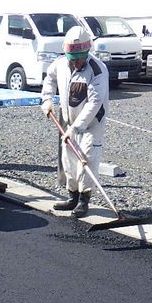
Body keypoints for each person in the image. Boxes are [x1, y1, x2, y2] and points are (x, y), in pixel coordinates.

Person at [41, 26, 109, 218]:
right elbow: (49, 79)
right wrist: (47, 99)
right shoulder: (61, 63)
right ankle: (72, 196)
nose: (76, 62)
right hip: (69, 120)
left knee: (87, 158)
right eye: (73, 58)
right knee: (69, 159)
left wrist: (77, 127)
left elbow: (94, 103)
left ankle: (84, 200)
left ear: (87, 52)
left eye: (79, 58)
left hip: (91, 124)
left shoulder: (97, 70)